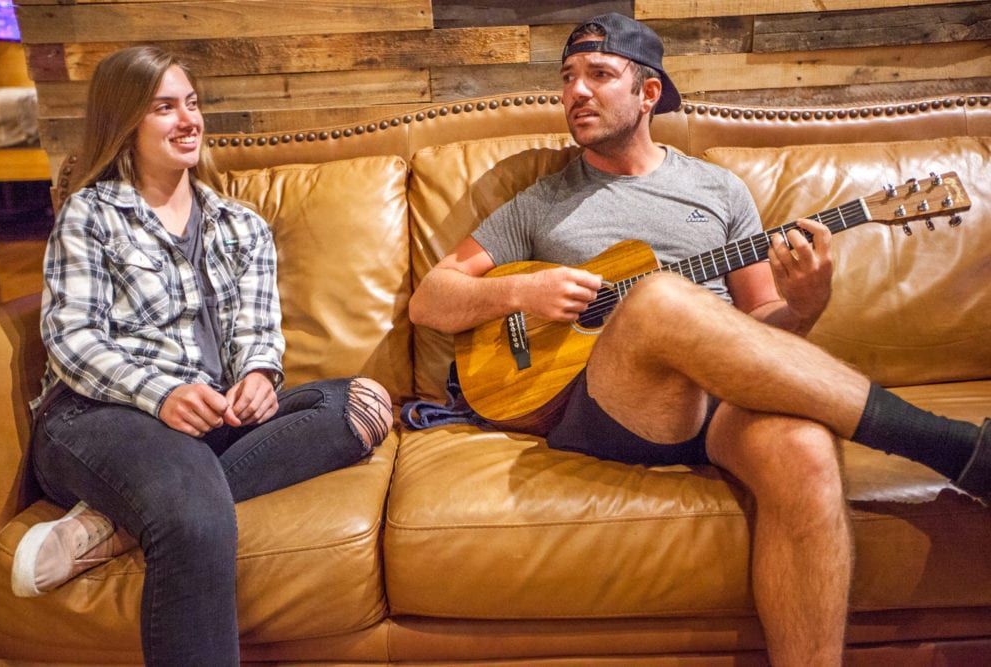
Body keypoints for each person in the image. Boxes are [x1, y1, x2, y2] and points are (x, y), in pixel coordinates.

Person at [408, 12, 990, 667]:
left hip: (720, 401)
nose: (575, 92)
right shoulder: (543, 201)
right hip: (612, 399)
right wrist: (519, 293)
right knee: (656, 294)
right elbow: (431, 298)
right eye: (567, 78)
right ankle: (951, 446)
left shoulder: (718, 190)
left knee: (804, 447)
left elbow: (763, 324)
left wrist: (805, 303)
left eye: (599, 75)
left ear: (648, 93)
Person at [10, 46, 393, 665]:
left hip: (208, 421)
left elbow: (258, 332)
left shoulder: (241, 226)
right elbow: (72, 337)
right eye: (164, 108)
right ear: (125, 123)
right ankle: (158, 503)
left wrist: (260, 377)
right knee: (193, 516)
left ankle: (112, 524)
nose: (189, 120)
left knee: (360, 403)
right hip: (100, 417)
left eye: (191, 104)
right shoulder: (93, 215)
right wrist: (159, 395)